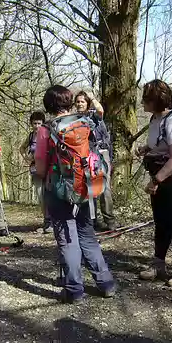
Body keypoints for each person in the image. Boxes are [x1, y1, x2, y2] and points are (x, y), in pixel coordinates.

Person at [35, 85, 116, 303]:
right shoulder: (84, 122)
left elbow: (41, 169)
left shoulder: (46, 130)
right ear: (69, 102)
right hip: (85, 186)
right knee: (87, 236)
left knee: (68, 240)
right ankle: (106, 283)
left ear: (49, 105)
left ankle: (74, 290)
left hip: (59, 190)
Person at [136, 79, 172, 288]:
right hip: (161, 175)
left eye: (146, 99)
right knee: (160, 221)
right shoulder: (155, 119)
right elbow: (162, 146)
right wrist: (146, 149)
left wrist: (155, 181)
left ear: (156, 100)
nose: (142, 102)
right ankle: (158, 264)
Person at [75, 90, 116, 231]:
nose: (80, 104)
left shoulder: (94, 115)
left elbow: (100, 110)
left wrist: (92, 97)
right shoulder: (75, 119)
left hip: (100, 153)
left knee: (104, 188)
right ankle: (92, 220)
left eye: (82, 101)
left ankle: (109, 220)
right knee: (89, 189)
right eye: (78, 101)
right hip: (85, 155)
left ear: (87, 103)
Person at [20, 111, 52, 233]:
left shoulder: (48, 135)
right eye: (34, 123)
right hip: (35, 170)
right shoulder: (30, 136)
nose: (37, 126)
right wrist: (27, 158)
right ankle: (46, 220)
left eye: (39, 123)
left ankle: (52, 221)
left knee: (50, 195)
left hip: (49, 169)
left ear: (43, 124)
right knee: (41, 196)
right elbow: (22, 148)